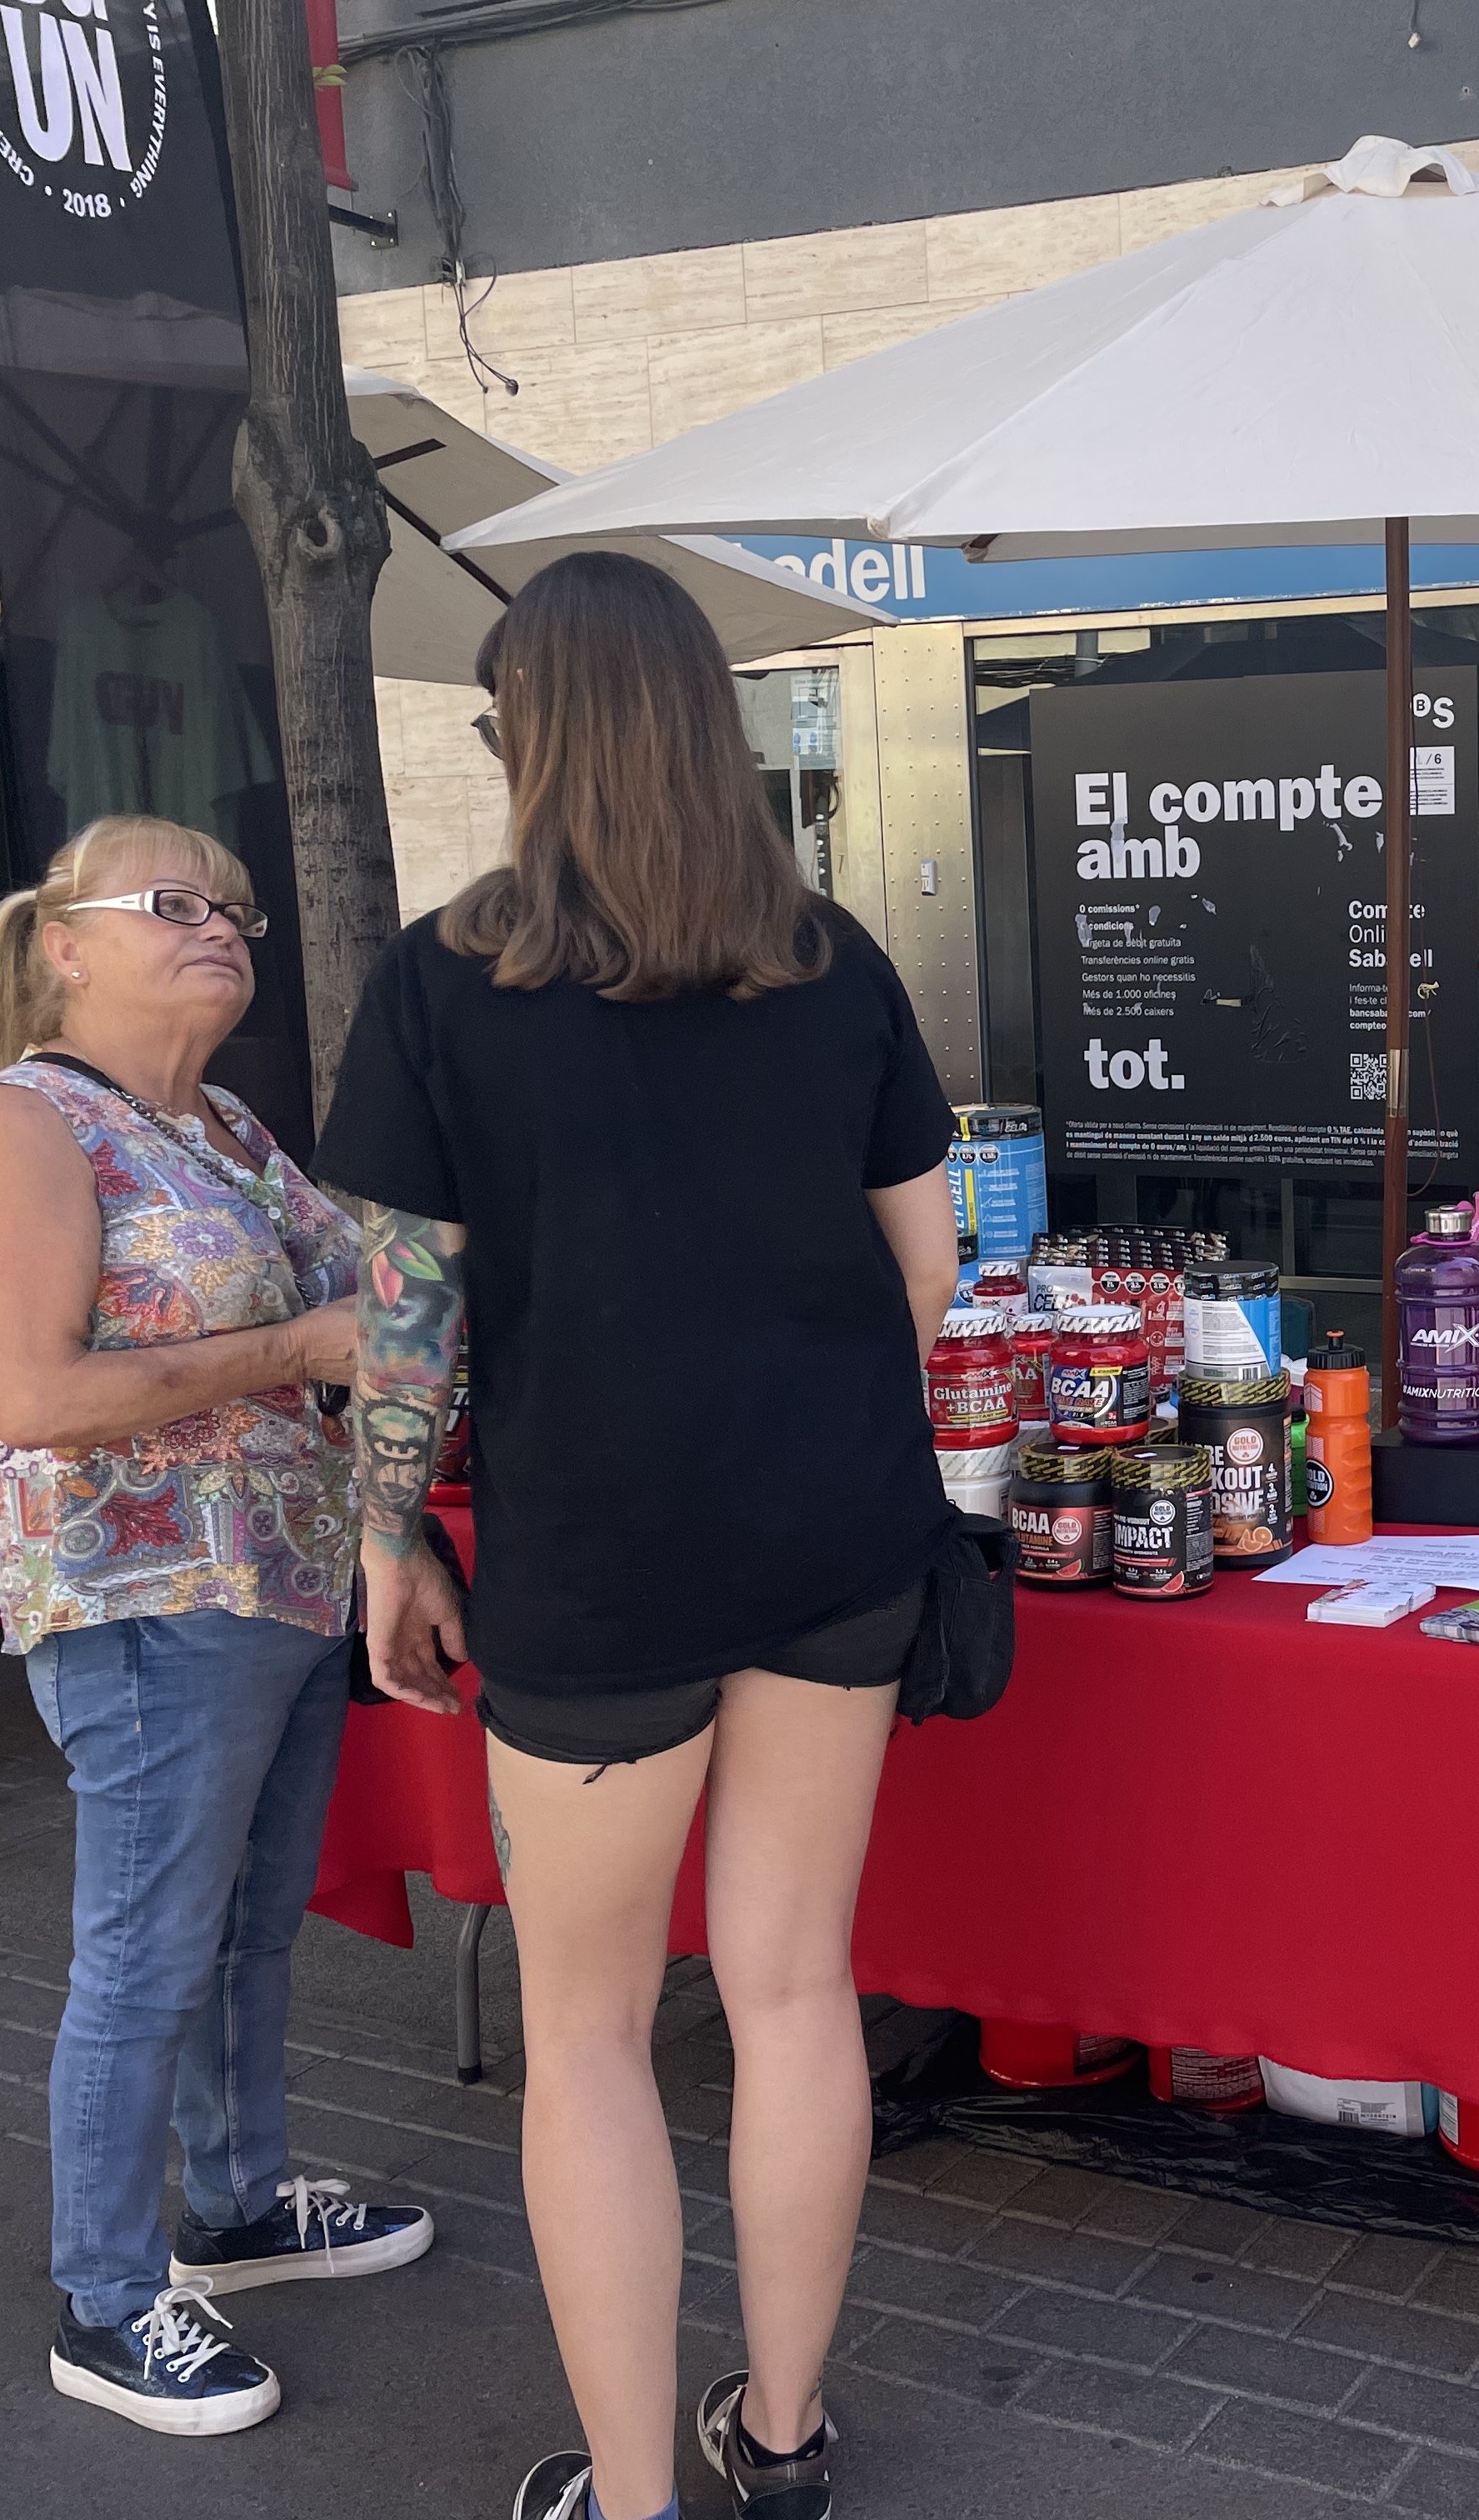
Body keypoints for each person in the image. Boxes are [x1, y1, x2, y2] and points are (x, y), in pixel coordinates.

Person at [320, 552, 961, 2520]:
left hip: (599, 1552)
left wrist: (389, 1537)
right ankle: (781, 2442)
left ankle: (630, 2497)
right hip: (837, 1536)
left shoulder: (442, 980)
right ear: (714, 729)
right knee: (791, 1990)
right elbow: (924, 1273)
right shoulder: (832, 958)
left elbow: (403, 1318)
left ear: (529, 744)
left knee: (589, 2031)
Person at [0, 814, 436, 2438]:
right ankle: (107, 2296)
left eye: (236, 907)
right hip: (141, 1606)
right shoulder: (17, 1128)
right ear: (62, 942)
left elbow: (386, 1290)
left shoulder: (220, 1126)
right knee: (145, 1956)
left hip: (276, 1597)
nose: (222, 926)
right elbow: (40, 1396)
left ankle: (238, 2206)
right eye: (173, 902)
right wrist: (309, 1347)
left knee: (244, 1932)